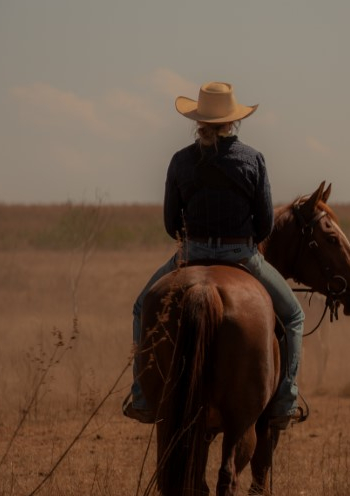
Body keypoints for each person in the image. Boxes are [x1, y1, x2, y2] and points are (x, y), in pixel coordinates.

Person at [123, 81, 306, 430]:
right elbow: (266, 224)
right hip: (242, 255)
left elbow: (170, 223)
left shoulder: (180, 160)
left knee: (141, 307)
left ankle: (142, 396)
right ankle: (286, 400)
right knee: (294, 316)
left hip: (190, 253)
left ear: (198, 121)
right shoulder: (253, 159)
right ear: (233, 121)